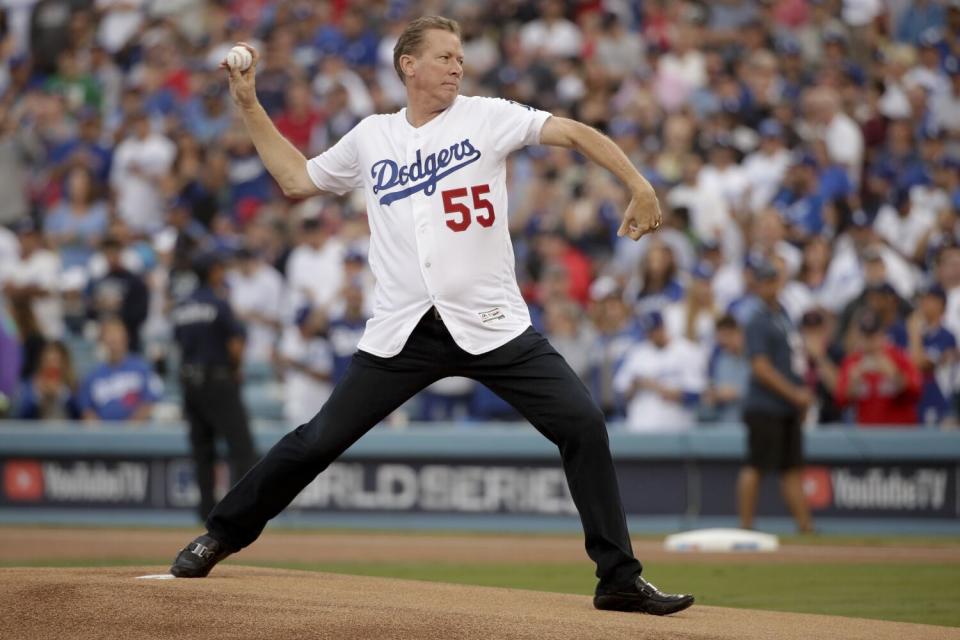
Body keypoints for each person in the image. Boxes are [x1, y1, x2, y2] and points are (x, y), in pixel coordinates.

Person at [170, 16, 694, 616]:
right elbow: (295, 179)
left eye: (460, 56)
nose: (457, 66)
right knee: (316, 440)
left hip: (492, 322)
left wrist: (639, 183)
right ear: (407, 66)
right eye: (444, 56)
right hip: (403, 329)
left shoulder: (486, 116)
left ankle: (618, 577)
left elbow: (572, 132)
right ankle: (223, 533)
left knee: (582, 425)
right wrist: (249, 103)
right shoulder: (372, 136)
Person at [171, 252, 258, 521]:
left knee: (202, 450)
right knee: (241, 448)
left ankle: (205, 512)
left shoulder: (183, 305)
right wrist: (235, 369)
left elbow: (178, 344)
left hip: (190, 383)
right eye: (220, 267)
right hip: (218, 380)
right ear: (212, 272)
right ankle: (245, 510)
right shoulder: (218, 303)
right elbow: (235, 344)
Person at [738, 259, 815, 534]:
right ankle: (746, 527)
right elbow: (760, 367)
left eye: (775, 279)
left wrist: (799, 395)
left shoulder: (783, 314)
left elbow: (792, 360)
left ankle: (805, 527)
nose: (772, 285)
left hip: (785, 406)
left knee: (792, 468)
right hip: (765, 405)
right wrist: (795, 394)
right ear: (757, 285)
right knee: (756, 466)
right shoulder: (757, 319)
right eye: (766, 281)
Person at [614, 310, 706, 433]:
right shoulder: (637, 353)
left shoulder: (688, 350)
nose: (650, 335)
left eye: (654, 330)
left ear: (663, 327)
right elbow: (621, 391)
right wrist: (637, 384)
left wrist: (659, 388)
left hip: (677, 429)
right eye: (648, 332)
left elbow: (697, 393)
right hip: (641, 428)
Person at [77, 317, 162, 422]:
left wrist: (130, 429)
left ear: (126, 337)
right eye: (109, 333)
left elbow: (149, 402)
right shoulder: (93, 376)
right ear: (102, 339)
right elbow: (87, 411)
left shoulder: (142, 368)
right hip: (103, 435)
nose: (113, 338)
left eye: (117, 332)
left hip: (137, 433)